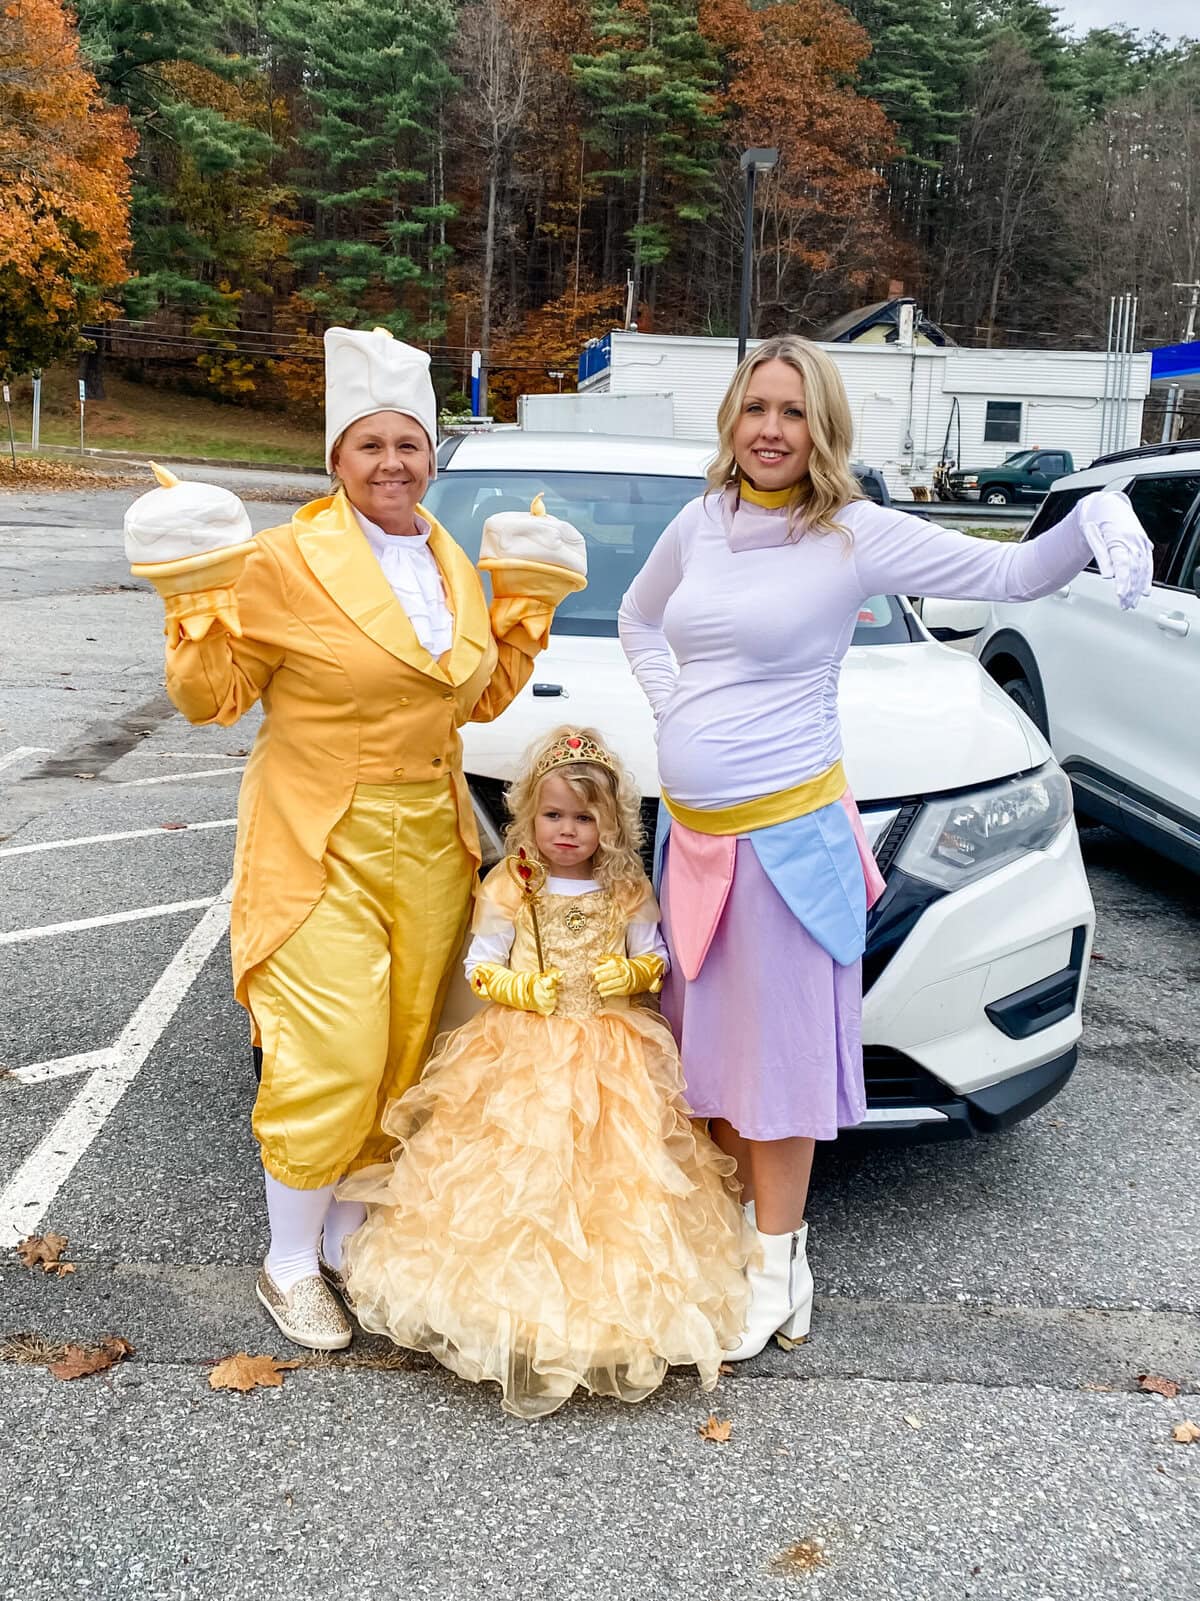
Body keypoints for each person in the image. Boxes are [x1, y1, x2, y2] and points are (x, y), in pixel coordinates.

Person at [617, 334, 1154, 1360]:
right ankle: (755, 1250)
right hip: (698, 848)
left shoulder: (852, 534)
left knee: (777, 1073)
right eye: (757, 408)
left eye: (794, 411)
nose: (772, 429)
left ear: (823, 428)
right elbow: (643, 623)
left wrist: (1093, 514)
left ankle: (775, 1271)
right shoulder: (698, 524)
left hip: (786, 847)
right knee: (719, 1064)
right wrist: (672, 699)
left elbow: (1011, 569)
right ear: (731, 418)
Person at [123, 326, 586, 1351]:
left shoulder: (454, 561)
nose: (392, 463)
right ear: (335, 459)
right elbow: (214, 698)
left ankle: (341, 1232)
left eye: (410, 445)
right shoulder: (285, 559)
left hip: (428, 833)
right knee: (330, 1048)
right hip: (318, 832)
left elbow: (469, 698)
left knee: (404, 1044)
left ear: (432, 456)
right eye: (370, 445)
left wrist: (519, 613)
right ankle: (287, 1259)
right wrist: (191, 602)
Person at [337, 727, 752, 1418]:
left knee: (615, 1179)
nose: (567, 829)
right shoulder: (512, 886)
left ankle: (607, 1310)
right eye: (554, 814)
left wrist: (637, 970)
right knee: (516, 1169)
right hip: (521, 1047)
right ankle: (500, 1308)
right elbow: (479, 961)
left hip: (610, 1048)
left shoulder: (624, 889)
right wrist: (517, 988)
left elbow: (655, 952)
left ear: (611, 823)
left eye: (585, 817)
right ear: (530, 813)